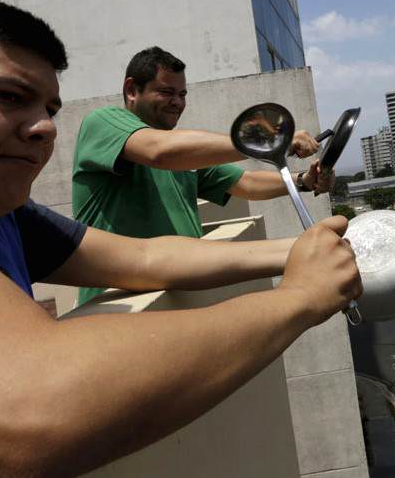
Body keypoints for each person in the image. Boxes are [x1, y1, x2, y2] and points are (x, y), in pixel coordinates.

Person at [0, 0, 362, 475]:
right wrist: (295, 301)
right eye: (8, 96)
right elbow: (19, 415)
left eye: (49, 110)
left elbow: (144, 259)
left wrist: (308, 253)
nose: (45, 128)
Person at [72, 46, 336, 304]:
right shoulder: (103, 122)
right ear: (131, 90)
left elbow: (245, 183)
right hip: (118, 308)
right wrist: (270, 138)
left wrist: (302, 180)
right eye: (166, 92)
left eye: (182, 94)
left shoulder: (183, 153)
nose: (177, 102)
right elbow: (158, 151)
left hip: (178, 298)